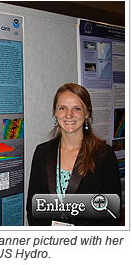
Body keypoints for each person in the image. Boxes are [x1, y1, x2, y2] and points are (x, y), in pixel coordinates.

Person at [27, 83, 121, 226]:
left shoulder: (103, 155)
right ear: (55, 112)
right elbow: (33, 208)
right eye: (62, 108)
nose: (69, 115)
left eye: (77, 109)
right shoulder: (42, 152)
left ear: (87, 113)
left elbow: (111, 214)